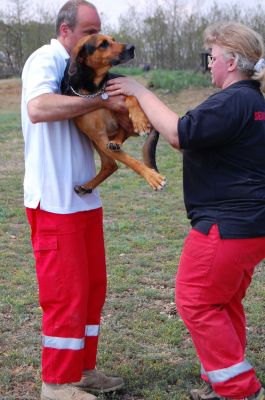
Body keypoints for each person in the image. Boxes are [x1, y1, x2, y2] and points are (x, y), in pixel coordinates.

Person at [106, 21, 265, 400]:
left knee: (195, 299)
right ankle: (222, 379)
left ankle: (240, 391)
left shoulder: (233, 101)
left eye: (211, 57)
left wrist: (138, 91)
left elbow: (179, 133)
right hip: (248, 226)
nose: (208, 64)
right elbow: (189, 137)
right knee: (223, 301)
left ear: (230, 60)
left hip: (225, 225)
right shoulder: (250, 102)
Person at [21, 1, 129, 399]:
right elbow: (38, 107)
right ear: (65, 32)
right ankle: (57, 384)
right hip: (53, 201)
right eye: (88, 30)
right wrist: (100, 101)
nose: (97, 38)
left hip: (83, 198)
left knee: (92, 289)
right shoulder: (45, 59)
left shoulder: (84, 69)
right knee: (65, 292)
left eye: (100, 30)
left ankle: (82, 369)